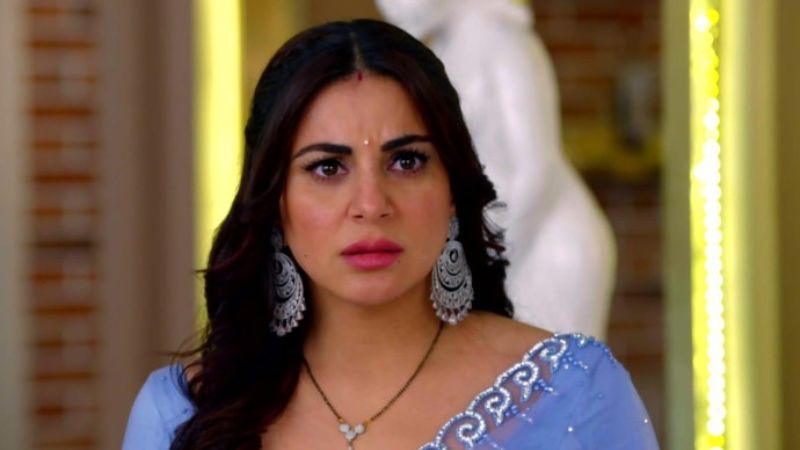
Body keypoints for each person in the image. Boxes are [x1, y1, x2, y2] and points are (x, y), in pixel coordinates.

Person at [122, 19, 658, 449]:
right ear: (276, 203)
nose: (371, 205)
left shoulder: (574, 390)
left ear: (453, 189)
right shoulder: (183, 413)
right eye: (327, 168)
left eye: (406, 161)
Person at [376, 0, 617, 338]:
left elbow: (535, 168)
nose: (393, 9)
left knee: (552, 365)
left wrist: (485, 256)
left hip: (540, 242)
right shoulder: (445, 50)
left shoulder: (502, 42)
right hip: (497, 237)